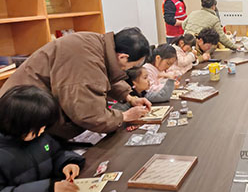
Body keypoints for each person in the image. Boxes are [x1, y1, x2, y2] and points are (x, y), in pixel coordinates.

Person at [0, 28, 152, 140]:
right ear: (123, 57)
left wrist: (129, 97)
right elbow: (88, 113)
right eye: (132, 66)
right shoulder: (85, 59)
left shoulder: (98, 44)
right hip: (22, 115)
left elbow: (106, 73)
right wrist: (124, 116)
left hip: (32, 111)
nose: (128, 70)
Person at [0, 86, 85, 192]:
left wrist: (66, 163)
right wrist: (48, 190)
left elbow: (55, 154)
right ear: (17, 124)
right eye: (38, 127)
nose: (42, 130)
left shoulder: (38, 138)